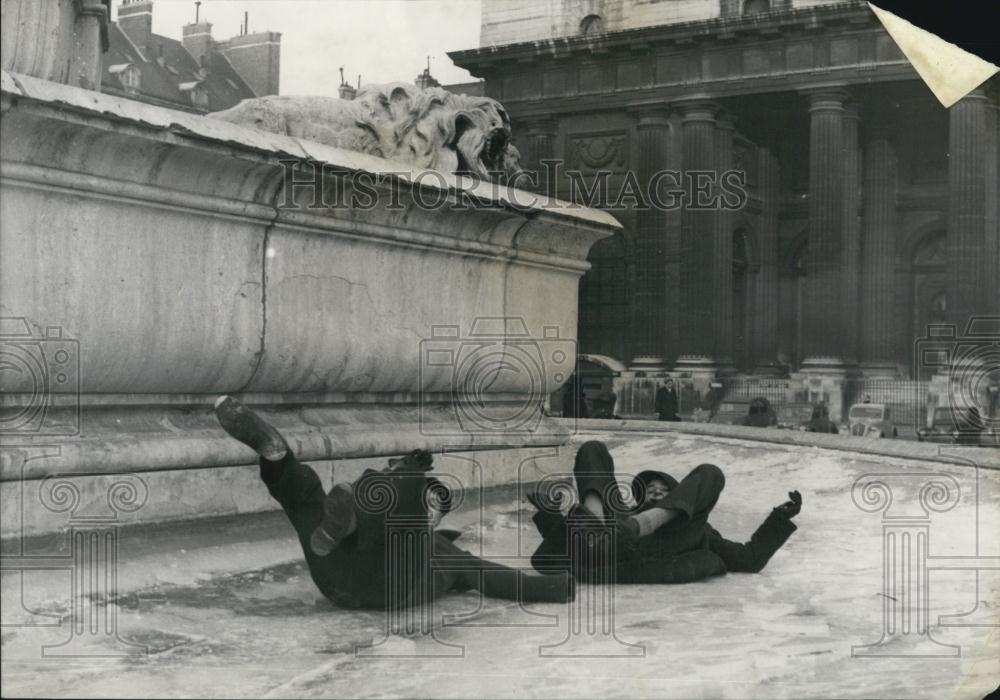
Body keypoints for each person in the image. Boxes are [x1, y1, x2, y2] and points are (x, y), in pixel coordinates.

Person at [214, 396, 574, 610]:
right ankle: (277, 455)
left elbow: (489, 576)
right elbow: (491, 578)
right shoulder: (444, 554)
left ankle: (302, 475)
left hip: (369, 582)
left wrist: (551, 586)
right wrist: (552, 588)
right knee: (321, 496)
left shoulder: (445, 554)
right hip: (350, 575)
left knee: (377, 489)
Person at [528, 440, 801, 585]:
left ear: (678, 495)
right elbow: (565, 548)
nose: (656, 491)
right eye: (649, 490)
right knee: (592, 449)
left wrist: (780, 518)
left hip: (668, 540)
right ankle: (594, 524)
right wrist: (552, 515)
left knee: (711, 472)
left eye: (663, 489)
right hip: (613, 540)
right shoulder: (621, 513)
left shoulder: (696, 528)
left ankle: (637, 524)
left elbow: (748, 558)